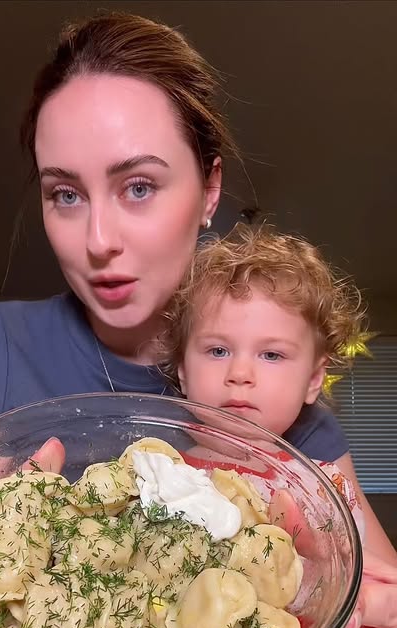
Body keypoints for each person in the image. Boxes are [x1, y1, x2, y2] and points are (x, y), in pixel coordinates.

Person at [0, 11, 396, 628]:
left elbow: (377, 601)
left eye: (137, 186)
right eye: (64, 194)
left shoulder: (284, 417)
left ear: (208, 190)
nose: (99, 241)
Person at [160, 223, 396, 560]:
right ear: (183, 372)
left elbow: (368, 578)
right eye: (218, 351)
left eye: (271, 355)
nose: (239, 374)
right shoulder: (157, 473)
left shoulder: (321, 487)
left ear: (313, 381)